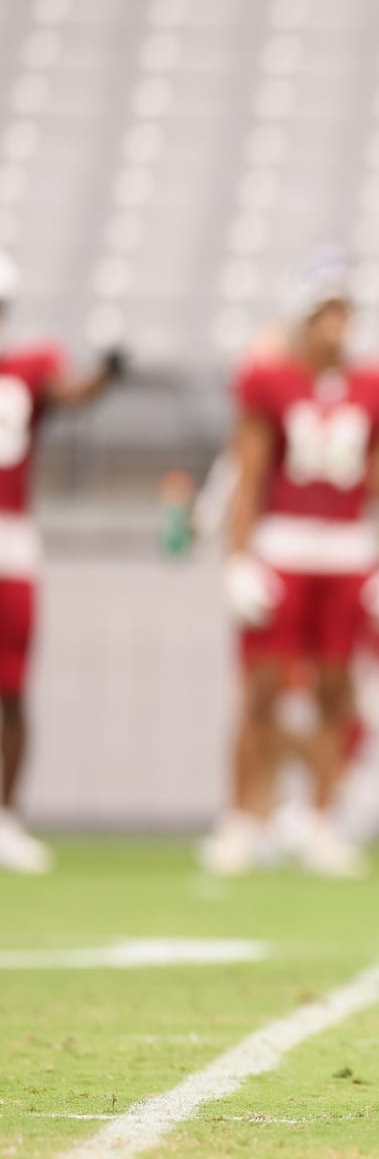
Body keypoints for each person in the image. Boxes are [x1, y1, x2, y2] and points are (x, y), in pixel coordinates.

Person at [200, 255, 379, 877]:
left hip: (347, 548)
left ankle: (323, 818)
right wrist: (239, 557)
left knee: (335, 689)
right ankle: (244, 818)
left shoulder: (378, 387)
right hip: (284, 546)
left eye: (343, 313)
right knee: (262, 691)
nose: (335, 326)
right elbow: (249, 474)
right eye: (324, 313)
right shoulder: (271, 380)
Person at [0, 251, 128, 874]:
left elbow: (70, 392)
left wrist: (107, 371)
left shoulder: (28, 366)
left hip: (10, 541)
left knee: (12, 687)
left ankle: (5, 817)